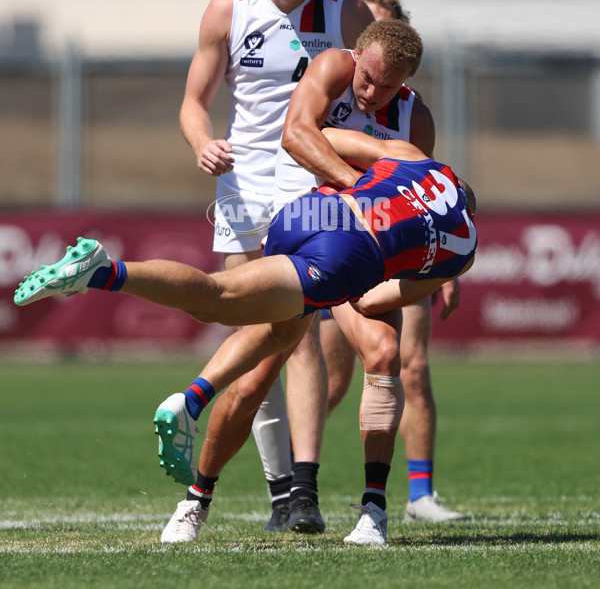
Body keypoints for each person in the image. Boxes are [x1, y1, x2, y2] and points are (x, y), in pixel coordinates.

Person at [14, 129, 477, 548]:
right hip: (347, 256)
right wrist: (349, 282)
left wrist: (358, 192)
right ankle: (106, 271)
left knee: (272, 338)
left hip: (310, 209)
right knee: (219, 298)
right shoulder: (465, 241)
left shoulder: (414, 156)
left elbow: (324, 134)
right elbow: (378, 303)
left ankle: (193, 415)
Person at [176, 0, 373, 534]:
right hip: (242, 183)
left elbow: (375, 96)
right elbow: (193, 103)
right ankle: (280, 490)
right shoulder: (227, 9)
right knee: (258, 324)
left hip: (310, 179)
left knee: (299, 328)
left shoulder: (346, 12)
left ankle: (301, 490)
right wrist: (201, 142)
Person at [319, 0, 466, 524]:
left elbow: (428, 192)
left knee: (412, 362)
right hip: (337, 243)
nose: (373, 81)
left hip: (400, 253)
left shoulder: (412, 115)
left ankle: (420, 494)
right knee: (334, 377)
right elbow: (300, 136)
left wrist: (445, 266)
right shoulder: (329, 80)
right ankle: (294, 478)